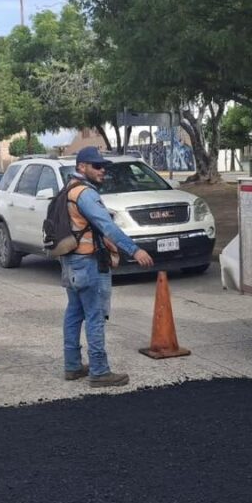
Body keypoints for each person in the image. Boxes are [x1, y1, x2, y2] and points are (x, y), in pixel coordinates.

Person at [60, 146, 155, 387]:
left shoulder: (67, 190)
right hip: (88, 262)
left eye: (103, 166)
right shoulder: (85, 193)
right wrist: (135, 249)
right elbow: (107, 227)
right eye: (97, 166)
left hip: (71, 260)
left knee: (74, 313)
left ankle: (72, 366)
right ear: (82, 167)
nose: (103, 170)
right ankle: (99, 371)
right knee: (95, 316)